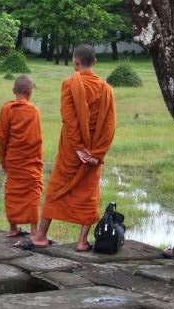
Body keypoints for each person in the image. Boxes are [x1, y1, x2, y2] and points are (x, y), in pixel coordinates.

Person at [16, 44, 115, 251]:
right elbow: (109, 125)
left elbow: (69, 119)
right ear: (95, 62)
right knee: (89, 193)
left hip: (72, 150)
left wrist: (78, 148)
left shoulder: (69, 83)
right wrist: (97, 154)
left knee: (56, 188)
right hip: (93, 151)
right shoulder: (106, 89)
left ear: (74, 61)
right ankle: (82, 242)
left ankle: (41, 236)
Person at [0, 75, 43, 237]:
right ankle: (34, 229)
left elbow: (1, 136)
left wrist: (3, 157)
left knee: (12, 191)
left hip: (13, 158)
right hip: (31, 160)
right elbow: (36, 138)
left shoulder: (6, 109)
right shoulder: (33, 110)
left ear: (13, 91)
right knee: (33, 190)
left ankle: (13, 228)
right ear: (30, 93)